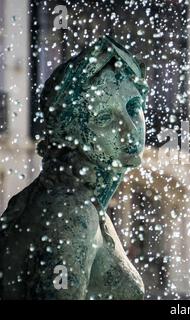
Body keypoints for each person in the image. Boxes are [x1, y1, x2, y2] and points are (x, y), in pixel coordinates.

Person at [0, 36, 148, 299]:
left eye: (133, 107)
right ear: (72, 133)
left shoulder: (69, 200)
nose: (130, 129)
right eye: (104, 118)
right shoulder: (70, 212)